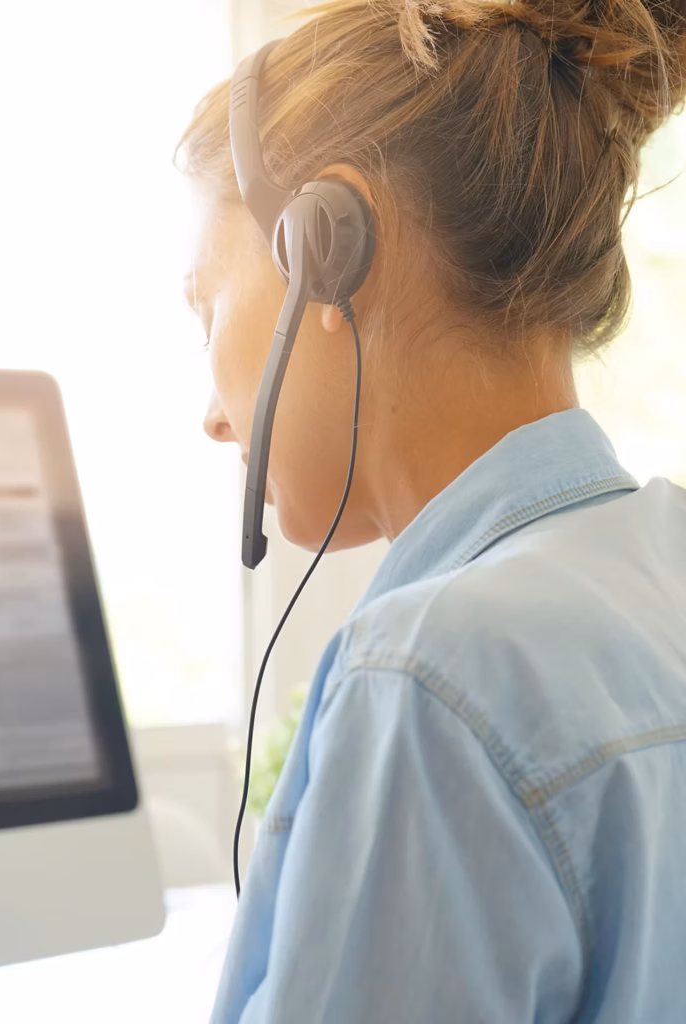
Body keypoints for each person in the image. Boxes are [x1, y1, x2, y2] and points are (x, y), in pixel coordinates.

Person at [176, 0, 686, 1020]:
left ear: (329, 248)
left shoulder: (434, 676)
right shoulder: (662, 567)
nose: (211, 420)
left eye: (204, 309)